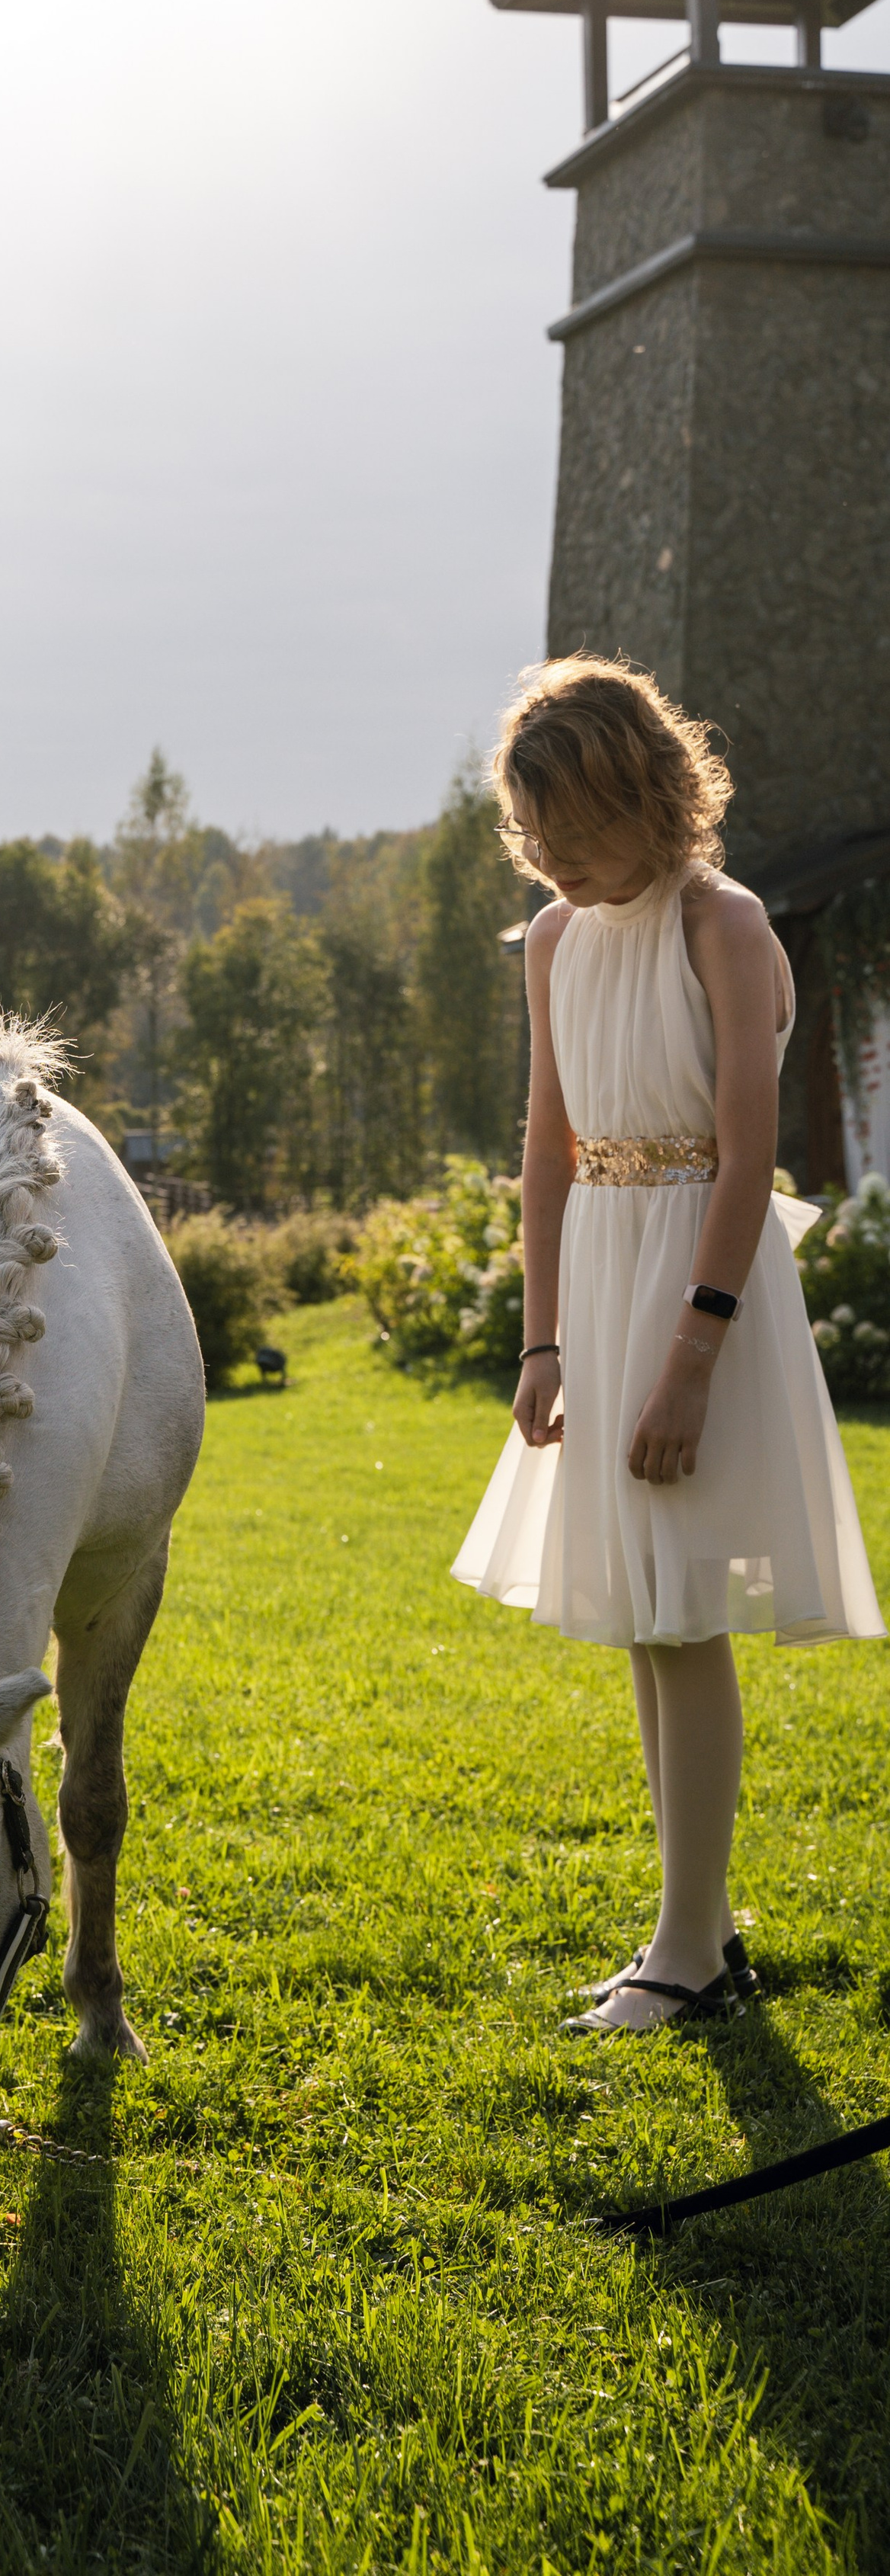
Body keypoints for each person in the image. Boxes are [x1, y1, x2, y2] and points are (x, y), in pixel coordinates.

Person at [453, 656, 882, 2037]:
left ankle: (690, 1956)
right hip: (603, 1278)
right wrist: (542, 1340)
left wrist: (693, 1354)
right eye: (539, 844)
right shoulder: (558, 940)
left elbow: (753, 1155)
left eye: (579, 836)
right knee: (646, 1616)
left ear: (650, 794)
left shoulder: (726, 923)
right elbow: (547, 1149)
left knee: (683, 1613)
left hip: (704, 1284)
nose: (560, 866)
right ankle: (689, 1933)